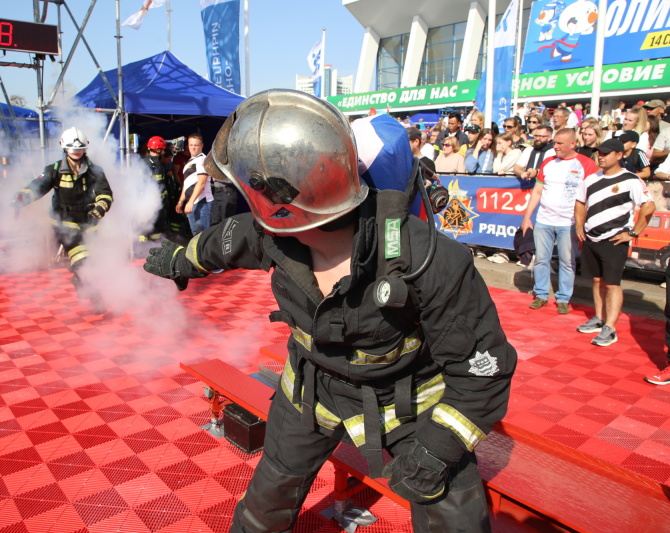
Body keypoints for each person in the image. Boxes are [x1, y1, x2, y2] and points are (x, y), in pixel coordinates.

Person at [144, 89, 517, 533]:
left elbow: (482, 373)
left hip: (408, 402)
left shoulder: (426, 258)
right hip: (309, 391)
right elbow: (223, 241)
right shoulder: (271, 234)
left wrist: (437, 450)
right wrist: (180, 260)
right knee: (265, 506)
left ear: (277, 196)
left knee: (458, 520)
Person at [12, 127, 113, 312]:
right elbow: (38, 186)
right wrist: (21, 199)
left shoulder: (94, 171)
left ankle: (81, 282)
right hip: (65, 227)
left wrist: (101, 206)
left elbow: (104, 192)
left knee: (91, 264)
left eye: (80, 149)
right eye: (73, 149)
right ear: (64, 148)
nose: (77, 153)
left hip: (89, 225)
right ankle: (94, 297)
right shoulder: (54, 170)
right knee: (82, 261)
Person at [574, 139, 655, 347]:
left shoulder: (631, 180)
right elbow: (580, 202)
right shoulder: (590, 179)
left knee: (612, 284)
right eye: (599, 152)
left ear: (619, 155)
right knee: (596, 281)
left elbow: (649, 206)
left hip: (615, 239)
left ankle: (610, 327)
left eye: (606, 153)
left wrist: (633, 232)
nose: (601, 156)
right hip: (592, 238)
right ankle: (599, 319)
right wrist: (579, 226)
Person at [520, 128, 598, 314]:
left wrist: (582, 222)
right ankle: (540, 294)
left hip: (568, 222)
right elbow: (537, 192)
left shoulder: (586, 164)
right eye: (554, 143)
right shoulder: (547, 162)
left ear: (573, 143)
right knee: (541, 259)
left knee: (567, 261)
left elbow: (590, 196)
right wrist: (527, 217)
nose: (555, 147)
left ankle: (563, 298)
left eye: (560, 143)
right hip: (544, 219)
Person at [176, 133, 213, 236]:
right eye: (191, 145)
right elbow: (186, 183)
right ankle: (198, 252)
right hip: (193, 202)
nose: (193, 147)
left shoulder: (202, 160)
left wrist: (190, 202)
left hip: (202, 203)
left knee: (202, 235)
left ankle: (204, 252)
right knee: (196, 234)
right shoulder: (191, 161)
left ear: (202, 146)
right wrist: (180, 201)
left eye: (196, 145)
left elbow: (201, 182)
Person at [141, 135, 174, 242]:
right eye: (163, 149)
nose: (164, 151)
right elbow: (156, 184)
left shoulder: (151, 162)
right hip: (152, 203)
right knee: (150, 228)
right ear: (158, 149)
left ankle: (151, 247)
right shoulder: (152, 164)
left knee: (153, 229)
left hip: (155, 203)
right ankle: (146, 249)